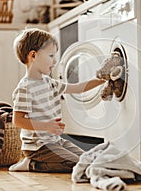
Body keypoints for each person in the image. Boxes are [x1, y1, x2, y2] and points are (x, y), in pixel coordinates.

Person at [9, 28, 105, 172]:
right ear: (33, 55)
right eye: (51, 55)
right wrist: (46, 126)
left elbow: (78, 88)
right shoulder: (25, 89)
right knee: (78, 165)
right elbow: (18, 121)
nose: (54, 61)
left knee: (86, 159)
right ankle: (31, 164)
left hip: (55, 141)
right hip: (38, 147)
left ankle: (37, 161)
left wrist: (103, 78)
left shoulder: (50, 82)